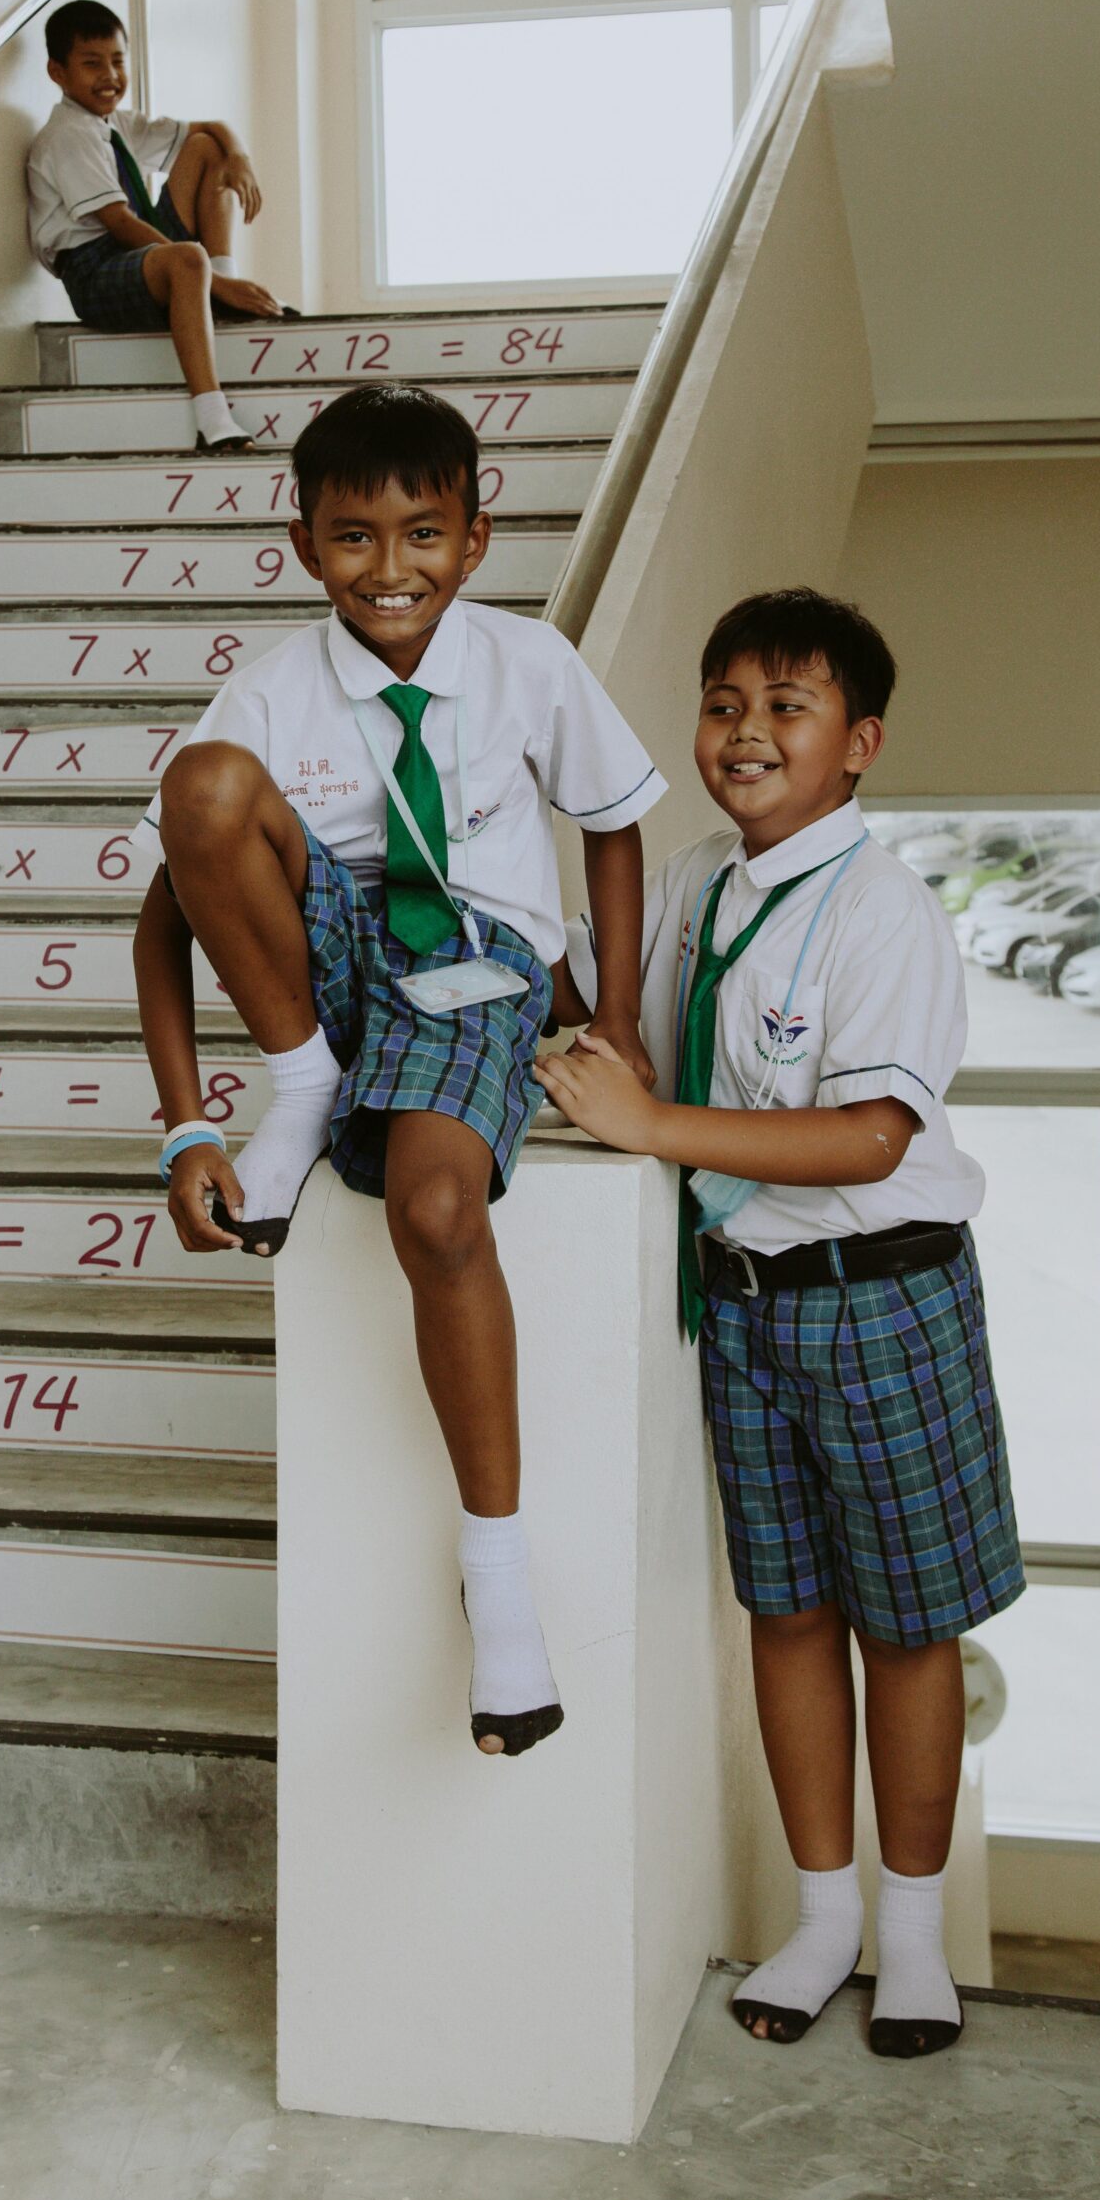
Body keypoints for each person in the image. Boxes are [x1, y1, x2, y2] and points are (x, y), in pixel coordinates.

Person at [130, 383, 666, 1756]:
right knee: (204, 788)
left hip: (475, 966)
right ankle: (302, 1082)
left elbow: (608, 825)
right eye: (352, 537)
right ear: (305, 546)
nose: (389, 567)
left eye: (421, 532)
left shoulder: (527, 664)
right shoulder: (269, 683)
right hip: (330, 946)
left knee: (435, 1212)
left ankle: (500, 1584)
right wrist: (187, 1125)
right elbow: (168, 904)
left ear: (474, 539)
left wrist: (612, 1011)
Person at [535, 587, 1024, 2057]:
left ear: (857, 742)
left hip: (880, 1300)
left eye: (786, 708)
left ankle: (915, 1939)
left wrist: (650, 1124)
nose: (745, 733)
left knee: (906, 1627)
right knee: (788, 1613)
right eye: (723, 705)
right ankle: (819, 1922)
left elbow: (871, 1137)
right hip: (740, 1315)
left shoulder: (882, 909)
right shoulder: (692, 879)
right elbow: (603, 994)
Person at [26, 0, 294, 455]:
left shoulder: (116, 123)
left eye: (116, 61)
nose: (109, 76)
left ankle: (219, 279)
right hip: (94, 271)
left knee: (207, 148)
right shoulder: (68, 135)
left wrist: (238, 156)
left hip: (135, 254)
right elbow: (118, 223)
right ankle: (213, 419)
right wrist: (212, 283)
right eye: (92, 64)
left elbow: (211, 128)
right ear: (58, 72)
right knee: (188, 258)